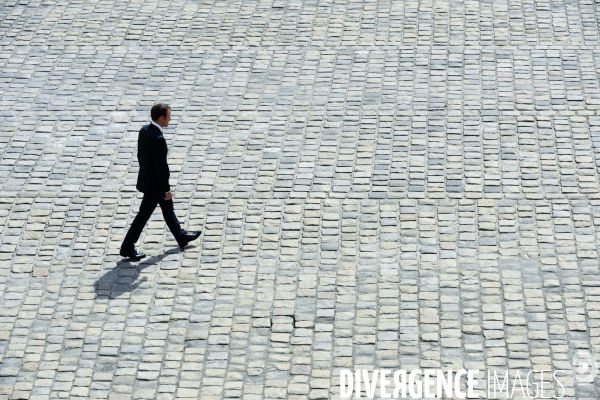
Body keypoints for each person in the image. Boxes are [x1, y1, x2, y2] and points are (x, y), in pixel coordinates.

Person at [120, 103, 200, 260]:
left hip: (148, 179)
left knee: (168, 209)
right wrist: (166, 189)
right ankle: (127, 247)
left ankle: (180, 236)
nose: (170, 119)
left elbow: (141, 156)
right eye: (169, 116)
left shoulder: (144, 131)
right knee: (143, 215)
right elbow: (161, 168)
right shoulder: (158, 139)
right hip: (155, 186)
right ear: (161, 118)